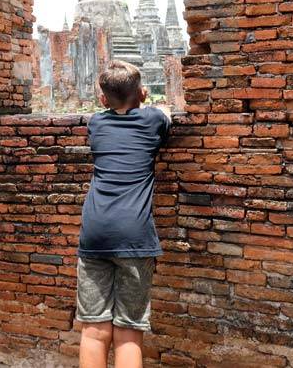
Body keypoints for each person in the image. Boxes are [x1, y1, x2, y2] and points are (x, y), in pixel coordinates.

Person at [76, 60, 172, 368]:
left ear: (103, 100)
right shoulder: (154, 120)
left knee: (93, 329)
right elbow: (165, 115)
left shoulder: (96, 124)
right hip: (134, 234)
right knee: (128, 332)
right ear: (143, 94)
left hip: (95, 232)